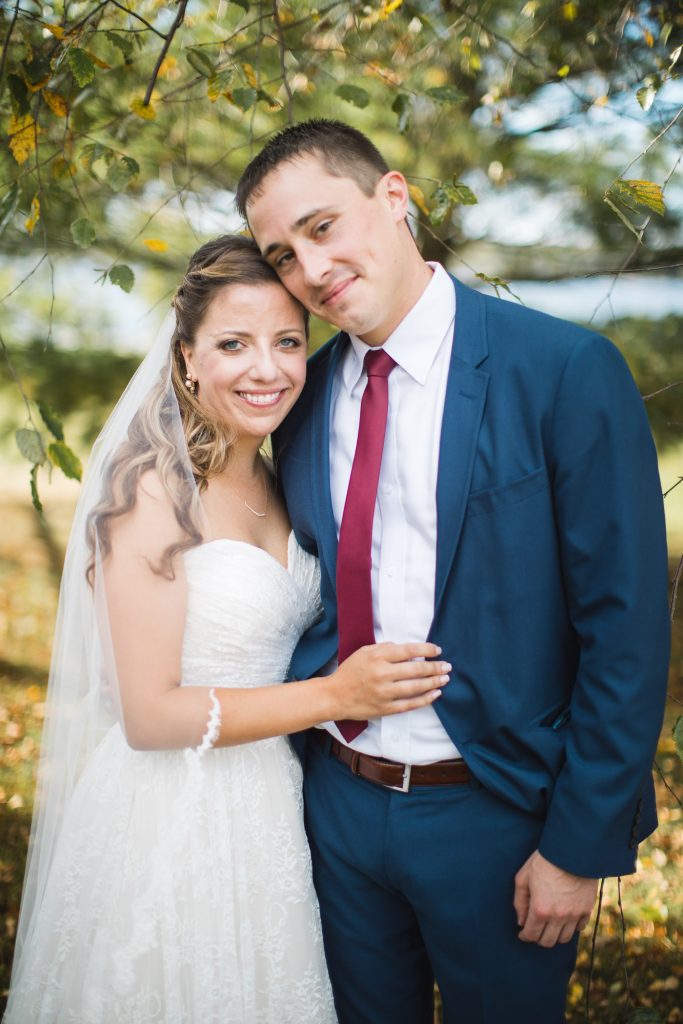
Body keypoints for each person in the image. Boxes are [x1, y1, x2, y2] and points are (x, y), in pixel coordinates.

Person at [236, 120, 671, 1024]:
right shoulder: (301, 398)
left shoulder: (561, 369)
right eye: (281, 255)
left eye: (322, 228)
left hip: (497, 817)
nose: (309, 270)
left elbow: (624, 629)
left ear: (394, 198)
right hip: (337, 810)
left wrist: (578, 847)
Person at [3, 235, 448, 1024]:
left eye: (286, 343)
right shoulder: (150, 490)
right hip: (173, 812)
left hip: (271, 806)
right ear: (186, 358)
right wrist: (336, 695)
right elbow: (150, 716)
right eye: (233, 344)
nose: (266, 369)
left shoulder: (277, 472)